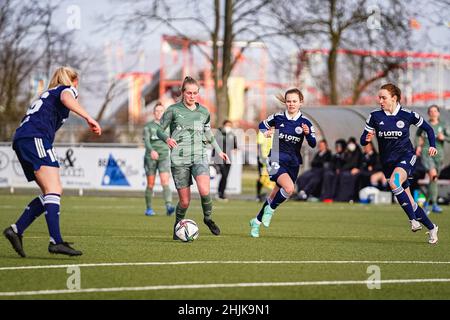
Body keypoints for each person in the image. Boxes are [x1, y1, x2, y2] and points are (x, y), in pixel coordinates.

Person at [3, 66, 102, 257]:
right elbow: (67, 97)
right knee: (54, 189)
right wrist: (89, 117)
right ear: (74, 81)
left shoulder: (48, 93)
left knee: (51, 191)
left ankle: (16, 230)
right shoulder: (66, 90)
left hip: (25, 138)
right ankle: (55, 242)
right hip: (35, 138)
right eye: (77, 84)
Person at [360, 83, 439, 244]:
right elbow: (363, 139)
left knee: (394, 182)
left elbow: (429, 129)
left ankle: (413, 220)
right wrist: (366, 139)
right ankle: (432, 228)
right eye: (379, 97)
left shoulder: (408, 115)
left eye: (383, 97)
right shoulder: (374, 116)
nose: (380, 100)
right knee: (409, 200)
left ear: (394, 98)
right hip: (387, 161)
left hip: (406, 156)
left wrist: (432, 145)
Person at [156, 76, 229, 240]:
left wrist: (218, 150)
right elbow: (159, 130)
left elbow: (208, 132)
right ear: (183, 92)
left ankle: (208, 219)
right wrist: (166, 139)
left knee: (205, 190)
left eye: (195, 93)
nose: (192, 96)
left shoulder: (203, 111)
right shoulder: (173, 110)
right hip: (179, 160)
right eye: (189, 93)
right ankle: (178, 226)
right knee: (184, 202)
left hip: (199, 155)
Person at [249, 88, 316, 238]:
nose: (291, 104)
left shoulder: (305, 123)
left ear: (300, 102)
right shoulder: (278, 117)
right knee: (289, 188)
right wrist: (265, 132)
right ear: (285, 102)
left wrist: (307, 134)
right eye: (288, 101)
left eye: (294, 101)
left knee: (274, 194)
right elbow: (262, 125)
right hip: (275, 158)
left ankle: (257, 222)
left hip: (293, 163)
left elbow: (313, 143)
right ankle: (270, 210)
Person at [415, 104, 450, 214]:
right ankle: (433, 204)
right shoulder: (425, 125)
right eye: (431, 111)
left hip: (439, 155)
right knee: (433, 176)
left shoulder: (443, 125)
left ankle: (428, 204)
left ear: (438, 113)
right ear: (428, 113)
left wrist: (443, 137)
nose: (433, 113)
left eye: (435, 111)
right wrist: (418, 146)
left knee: (433, 180)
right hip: (427, 153)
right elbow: (417, 135)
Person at [143, 102, 175, 216]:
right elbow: (146, 141)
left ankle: (169, 206)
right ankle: (149, 208)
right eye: (157, 111)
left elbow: (173, 139)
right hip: (150, 157)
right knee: (150, 183)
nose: (159, 113)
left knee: (165, 182)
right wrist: (151, 150)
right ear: (153, 113)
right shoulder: (148, 126)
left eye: (161, 111)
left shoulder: (168, 126)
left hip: (164, 156)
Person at [212, 119, 238, 201]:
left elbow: (235, 146)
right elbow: (214, 144)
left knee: (225, 177)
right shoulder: (219, 133)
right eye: (227, 125)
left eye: (230, 126)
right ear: (223, 125)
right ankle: (220, 193)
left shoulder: (232, 134)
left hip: (228, 158)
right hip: (219, 158)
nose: (228, 127)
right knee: (224, 175)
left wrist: (235, 150)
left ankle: (221, 193)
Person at [334, 137, 363, 202]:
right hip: (346, 171)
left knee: (350, 178)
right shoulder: (347, 152)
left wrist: (358, 169)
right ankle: (342, 197)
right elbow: (343, 162)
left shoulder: (358, 152)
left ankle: (350, 197)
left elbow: (358, 163)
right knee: (342, 176)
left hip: (355, 171)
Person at [256, 131, 275, 202]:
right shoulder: (262, 132)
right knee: (262, 177)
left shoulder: (277, 132)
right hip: (263, 158)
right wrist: (261, 157)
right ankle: (258, 195)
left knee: (274, 177)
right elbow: (259, 145)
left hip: (273, 158)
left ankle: (272, 196)